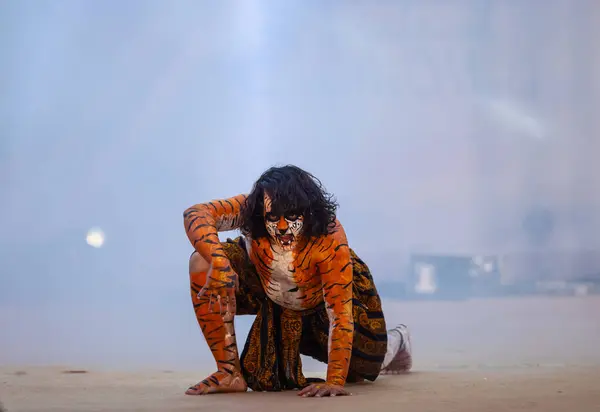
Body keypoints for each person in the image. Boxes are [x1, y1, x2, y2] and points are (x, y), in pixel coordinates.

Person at [183, 165, 412, 398]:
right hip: (271, 291)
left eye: (291, 216)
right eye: (273, 217)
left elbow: (341, 316)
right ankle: (228, 372)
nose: (282, 226)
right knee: (201, 262)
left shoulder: (329, 237)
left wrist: (334, 380)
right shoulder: (252, 209)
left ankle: (399, 338)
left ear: (308, 211)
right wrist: (219, 262)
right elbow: (196, 213)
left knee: (366, 365)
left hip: (322, 306)